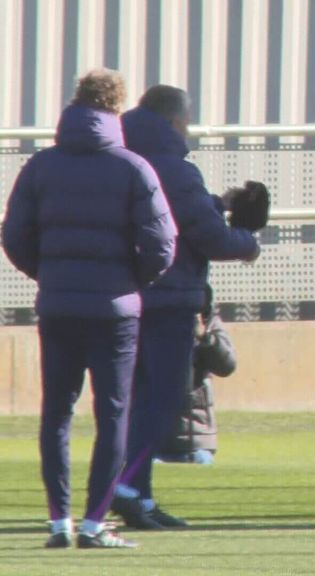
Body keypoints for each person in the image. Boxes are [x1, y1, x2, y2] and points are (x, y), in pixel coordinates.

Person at [2, 69, 177, 548]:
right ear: (117, 109)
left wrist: (50, 275)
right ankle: (96, 524)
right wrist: (131, 282)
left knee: (56, 414)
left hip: (58, 306)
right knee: (113, 414)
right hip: (115, 312)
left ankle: (59, 521)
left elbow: (14, 236)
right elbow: (163, 244)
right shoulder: (133, 167)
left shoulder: (40, 166)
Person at [111, 85, 261, 529]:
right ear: (175, 121)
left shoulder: (120, 159)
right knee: (164, 398)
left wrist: (219, 204)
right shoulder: (174, 168)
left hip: (123, 299)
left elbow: (180, 215)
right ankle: (129, 489)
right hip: (170, 300)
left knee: (134, 401)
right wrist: (248, 243)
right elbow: (208, 237)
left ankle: (138, 494)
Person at [154, 285, 234, 465]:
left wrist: (205, 338)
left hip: (197, 438)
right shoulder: (152, 318)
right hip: (155, 439)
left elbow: (227, 366)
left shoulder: (208, 319)